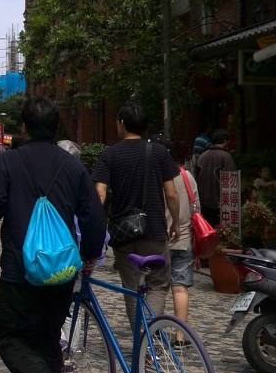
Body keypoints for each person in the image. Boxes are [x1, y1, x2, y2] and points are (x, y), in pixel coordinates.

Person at [0, 97, 106, 373]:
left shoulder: (9, 161)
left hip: (19, 271)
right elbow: (94, 216)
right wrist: (90, 253)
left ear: (23, 127)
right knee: (48, 337)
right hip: (61, 272)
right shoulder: (72, 166)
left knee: (11, 337)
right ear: (56, 128)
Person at [92, 102, 180, 330]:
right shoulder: (159, 152)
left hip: (123, 233)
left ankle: (140, 337)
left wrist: (94, 226)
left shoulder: (109, 154)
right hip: (154, 229)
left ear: (121, 123)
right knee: (158, 285)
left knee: (131, 288)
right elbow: (171, 193)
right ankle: (148, 333)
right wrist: (176, 223)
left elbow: (99, 194)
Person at [165, 141, 200, 328]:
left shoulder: (158, 176)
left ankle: (152, 332)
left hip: (160, 239)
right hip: (184, 239)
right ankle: (180, 336)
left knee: (156, 289)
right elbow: (196, 208)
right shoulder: (187, 177)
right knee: (180, 289)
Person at [194, 128, 236, 227]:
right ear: (225, 141)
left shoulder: (202, 156)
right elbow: (232, 182)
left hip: (203, 202)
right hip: (220, 204)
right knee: (221, 232)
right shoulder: (226, 157)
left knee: (208, 230)